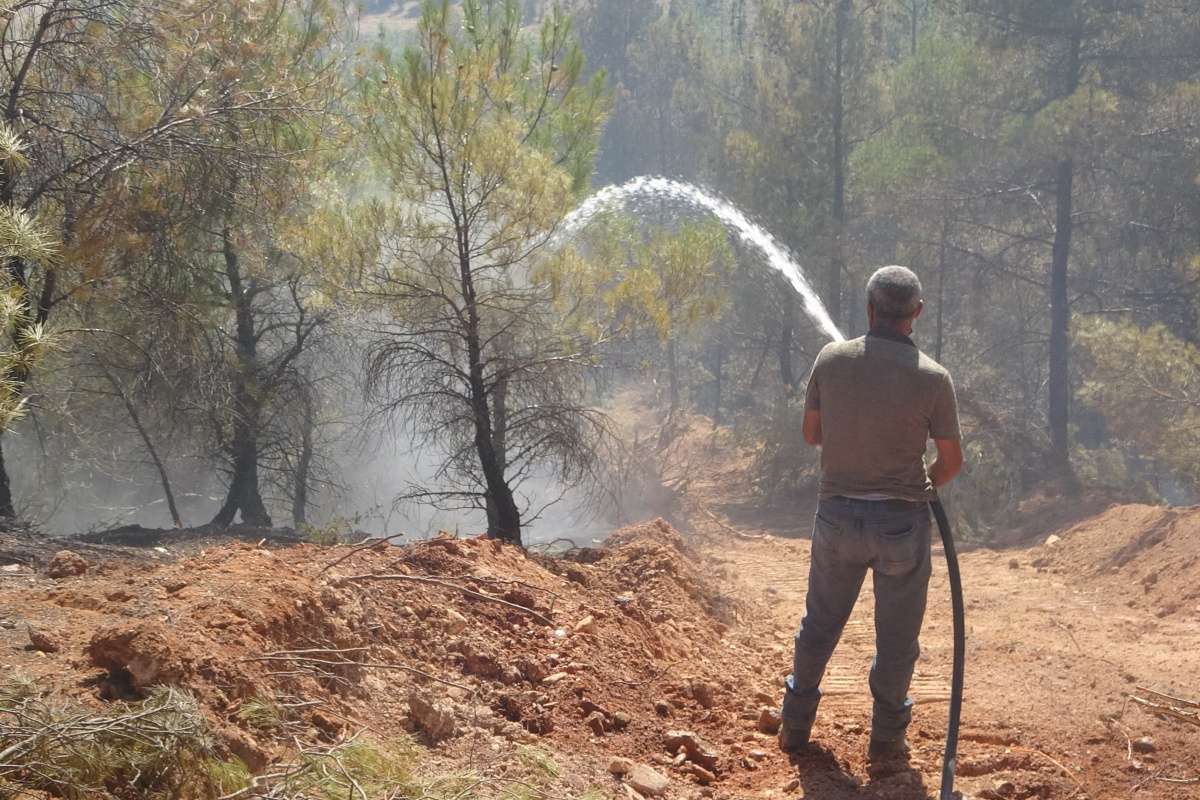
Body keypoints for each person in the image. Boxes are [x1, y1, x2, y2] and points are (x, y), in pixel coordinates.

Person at [779, 265, 964, 760]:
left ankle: (795, 724)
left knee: (819, 623)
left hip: (837, 518)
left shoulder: (831, 360)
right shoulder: (933, 378)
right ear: (917, 314)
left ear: (869, 309)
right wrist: (923, 480)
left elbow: (812, 435)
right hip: (902, 525)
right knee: (897, 637)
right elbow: (950, 463)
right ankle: (885, 743)